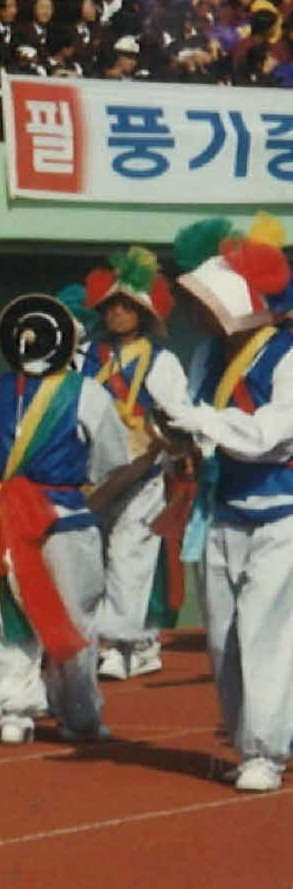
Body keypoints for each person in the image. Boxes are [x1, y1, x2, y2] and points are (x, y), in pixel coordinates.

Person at [0, 294, 130, 745]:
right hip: (62, 517)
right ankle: (77, 714)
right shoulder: (88, 393)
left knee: (5, 612)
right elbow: (111, 459)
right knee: (70, 616)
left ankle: (12, 711)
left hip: (5, 515)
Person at [155, 215, 293, 794]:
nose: (195, 313)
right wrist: (177, 438)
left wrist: (199, 421)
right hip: (219, 509)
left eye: (204, 302)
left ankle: (265, 751)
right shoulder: (207, 357)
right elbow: (194, 424)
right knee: (223, 635)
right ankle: (249, 739)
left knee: (265, 631)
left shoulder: (286, 355)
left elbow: (272, 434)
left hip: (280, 510)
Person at [75, 248, 190, 682]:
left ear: (143, 312)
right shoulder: (86, 354)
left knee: (129, 556)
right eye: (112, 306)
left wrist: (160, 450)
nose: (118, 313)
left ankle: (118, 645)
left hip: (142, 472)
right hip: (91, 473)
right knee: (93, 557)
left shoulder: (162, 360)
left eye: (127, 306)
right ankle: (140, 642)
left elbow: (175, 417)